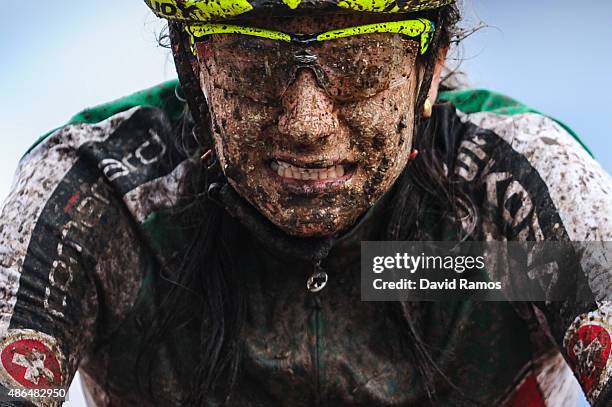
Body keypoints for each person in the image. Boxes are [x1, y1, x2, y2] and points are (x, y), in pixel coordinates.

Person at [0, 0, 611, 406]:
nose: (306, 123)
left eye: (360, 65)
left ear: (430, 71)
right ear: (192, 67)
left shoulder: (514, 194)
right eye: (252, 63)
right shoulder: (100, 199)